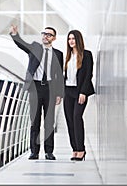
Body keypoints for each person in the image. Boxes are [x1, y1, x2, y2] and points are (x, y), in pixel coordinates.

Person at [9, 25, 64, 160]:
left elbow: (59, 75)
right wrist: (15, 35)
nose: (45, 36)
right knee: (35, 121)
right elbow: (22, 45)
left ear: (54, 38)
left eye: (49, 34)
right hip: (35, 88)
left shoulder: (58, 54)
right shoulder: (35, 47)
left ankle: (49, 152)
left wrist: (59, 94)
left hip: (50, 89)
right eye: (44, 33)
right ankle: (34, 152)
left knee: (49, 122)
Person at [63, 30, 95, 161]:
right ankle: (75, 149)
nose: (71, 41)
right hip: (68, 91)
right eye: (69, 39)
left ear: (78, 40)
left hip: (80, 91)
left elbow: (88, 75)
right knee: (69, 120)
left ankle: (81, 149)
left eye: (73, 39)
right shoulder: (68, 56)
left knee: (77, 117)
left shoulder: (86, 55)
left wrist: (83, 92)